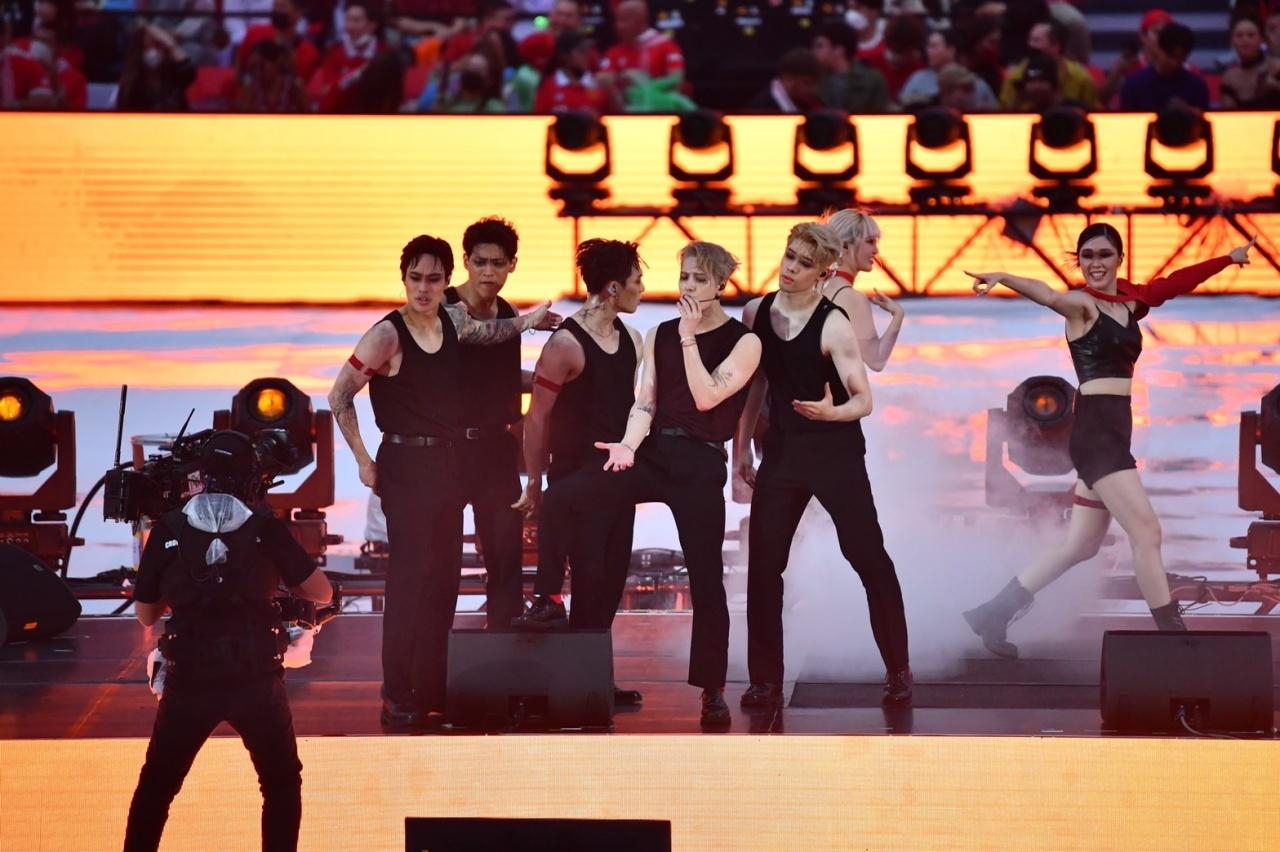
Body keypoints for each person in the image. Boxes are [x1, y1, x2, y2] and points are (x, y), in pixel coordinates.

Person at [961, 226, 1257, 657]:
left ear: (1119, 258)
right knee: (1147, 531)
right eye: (1086, 256)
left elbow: (1173, 284)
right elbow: (1047, 294)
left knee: (1080, 546)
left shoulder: (1130, 304)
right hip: (1097, 440)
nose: (1094, 263)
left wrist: (1227, 259)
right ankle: (1175, 640)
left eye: (1103, 254)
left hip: (1114, 434)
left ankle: (992, 613)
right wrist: (1004, 276)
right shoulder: (1081, 307)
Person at [327, 235, 557, 728]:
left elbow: (494, 335)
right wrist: (363, 460)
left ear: (447, 281)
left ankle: (431, 689)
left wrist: (532, 322)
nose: (423, 288)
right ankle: (397, 692)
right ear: (404, 278)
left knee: (442, 582)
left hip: (447, 466)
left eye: (433, 279)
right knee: (410, 581)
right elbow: (339, 396)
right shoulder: (387, 333)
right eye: (415, 278)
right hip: (405, 466)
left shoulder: (453, 321)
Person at [533, 241, 762, 727]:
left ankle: (712, 690)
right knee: (563, 497)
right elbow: (645, 404)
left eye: (699, 279)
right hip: (654, 453)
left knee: (706, 579)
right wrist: (627, 446)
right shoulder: (659, 333)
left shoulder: (744, 342)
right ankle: (547, 598)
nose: (688, 287)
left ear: (721, 284)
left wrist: (689, 338)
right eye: (684, 277)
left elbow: (706, 397)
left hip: (701, 463)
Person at [123, 431, 334, 852]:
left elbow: (146, 615)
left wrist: (182, 585)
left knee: (157, 786)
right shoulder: (265, 528)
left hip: (189, 681)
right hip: (255, 680)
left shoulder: (168, 529)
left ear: (202, 476)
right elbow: (322, 593)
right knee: (280, 782)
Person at [734, 222, 911, 710]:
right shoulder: (756, 312)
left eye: (804, 263)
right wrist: (740, 449)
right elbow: (756, 384)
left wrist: (831, 413)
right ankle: (765, 681)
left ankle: (898, 669)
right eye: (789, 256)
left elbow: (864, 399)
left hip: (836, 453)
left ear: (824, 272)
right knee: (764, 567)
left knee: (868, 557)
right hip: (783, 453)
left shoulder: (834, 323)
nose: (790, 268)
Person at [510, 238, 646, 706]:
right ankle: (577, 685)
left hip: (617, 479)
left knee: (610, 582)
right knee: (588, 577)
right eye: (636, 280)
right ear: (613, 288)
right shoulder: (566, 344)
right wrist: (534, 480)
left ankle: (594, 679)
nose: (642, 289)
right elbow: (537, 418)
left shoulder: (632, 339)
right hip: (575, 477)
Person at [442, 218, 528, 631]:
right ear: (466, 261)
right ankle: (436, 650)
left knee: (506, 551)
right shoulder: (443, 306)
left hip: (496, 450)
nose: (488, 272)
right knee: (440, 557)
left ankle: (505, 641)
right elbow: (471, 336)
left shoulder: (508, 312)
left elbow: (507, 379)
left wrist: (558, 378)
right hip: (446, 450)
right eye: (480, 262)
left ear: (512, 264)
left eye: (497, 263)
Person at [820, 209, 904, 373]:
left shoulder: (819, 284)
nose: (876, 250)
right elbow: (876, 360)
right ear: (845, 245)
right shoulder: (852, 298)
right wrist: (898, 315)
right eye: (870, 241)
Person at [998, 18, 1098, 111]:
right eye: (1030, 39)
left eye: (1036, 41)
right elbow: (1002, 116)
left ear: (1056, 45)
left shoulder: (1081, 78)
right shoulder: (1016, 77)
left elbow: (1094, 113)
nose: (1030, 45)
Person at [1119, 21, 1209, 112]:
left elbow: (1205, 119)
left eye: (1181, 58)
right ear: (1159, 49)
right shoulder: (1134, 86)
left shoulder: (1197, 87)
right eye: (1170, 56)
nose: (1174, 63)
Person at [899, 28, 997, 110]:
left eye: (934, 46)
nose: (928, 50)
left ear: (951, 50)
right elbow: (902, 107)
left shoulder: (975, 82)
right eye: (928, 46)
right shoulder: (917, 79)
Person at [812, 20, 890, 114]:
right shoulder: (813, 79)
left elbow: (881, 116)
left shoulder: (873, 80)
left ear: (839, 49)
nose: (814, 51)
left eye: (820, 46)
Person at [115, 23, 196, 111]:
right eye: (148, 47)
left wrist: (171, 45)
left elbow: (189, 71)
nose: (153, 51)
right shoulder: (131, 82)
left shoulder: (173, 74)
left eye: (158, 46)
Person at [1220, 15, 1280, 109]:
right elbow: (1228, 114)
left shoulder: (1276, 67)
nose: (1245, 40)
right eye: (1239, 36)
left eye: (1251, 35)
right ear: (1232, 41)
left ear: (1261, 39)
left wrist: (1275, 86)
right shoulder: (1229, 77)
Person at [749, 47, 823, 114]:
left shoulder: (814, 104)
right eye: (807, 83)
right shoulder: (761, 109)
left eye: (816, 84)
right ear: (788, 79)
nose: (814, 90)